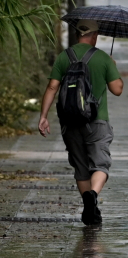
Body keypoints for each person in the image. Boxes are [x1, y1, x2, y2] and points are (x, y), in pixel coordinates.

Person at [38, 19, 123, 225]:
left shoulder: (64, 57)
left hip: (70, 122)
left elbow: (51, 88)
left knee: (81, 168)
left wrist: (43, 116)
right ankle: (92, 196)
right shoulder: (102, 58)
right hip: (97, 122)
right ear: (95, 36)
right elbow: (117, 90)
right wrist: (112, 66)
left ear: (77, 35)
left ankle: (89, 210)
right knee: (100, 164)